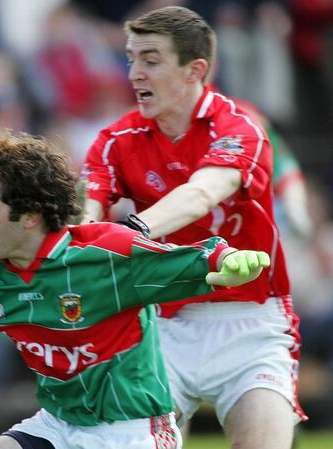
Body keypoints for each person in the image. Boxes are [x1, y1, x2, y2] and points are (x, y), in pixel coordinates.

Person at [0, 130, 270, 449]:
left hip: (132, 432)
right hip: (57, 425)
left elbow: (204, 260)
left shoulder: (105, 253)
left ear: (30, 216)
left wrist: (233, 261)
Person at [81, 6, 304, 449]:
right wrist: (78, 241)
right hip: (160, 324)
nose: (134, 73)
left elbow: (203, 193)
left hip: (250, 323)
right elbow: (85, 213)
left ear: (194, 70)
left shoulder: (240, 127)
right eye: (130, 58)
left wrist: (130, 232)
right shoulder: (114, 141)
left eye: (150, 59)